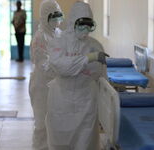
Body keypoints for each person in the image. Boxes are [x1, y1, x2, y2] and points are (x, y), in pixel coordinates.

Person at [45, 1, 109, 150]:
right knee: (60, 142)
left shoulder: (95, 45)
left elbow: (101, 76)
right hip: (61, 100)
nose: (86, 30)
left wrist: (104, 110)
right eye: (82, 24)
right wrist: (88, 58)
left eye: (89, 25)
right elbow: (61, 66)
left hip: (86, 101)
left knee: (85, 143)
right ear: (73, 21)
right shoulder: (58, 42)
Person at [29, 0, 63, 149]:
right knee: (42, 125)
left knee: (55, 123)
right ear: (45, 16)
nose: (56, 20)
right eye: (53, 16)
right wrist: (63, 69)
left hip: (56, 86)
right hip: (41, 86)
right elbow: (43, 64)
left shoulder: (58, 33)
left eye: (58, 15)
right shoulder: (40, 37)